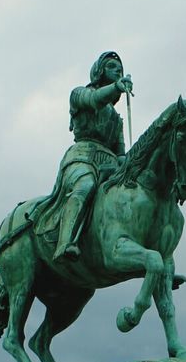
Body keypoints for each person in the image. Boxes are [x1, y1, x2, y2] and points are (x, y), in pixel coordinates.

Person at [47, 51, 131, 262]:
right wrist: (115, 87)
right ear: (100, 70)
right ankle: (65, 242)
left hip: (110, 164)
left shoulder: (116, 119)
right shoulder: (78, 94)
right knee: (86, 186)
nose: (118, 71)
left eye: (120, 69)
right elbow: (94, 100)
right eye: (112, 67)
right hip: (82, 157)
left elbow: (120, 154)